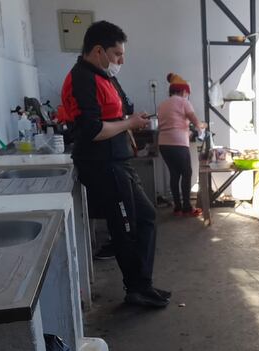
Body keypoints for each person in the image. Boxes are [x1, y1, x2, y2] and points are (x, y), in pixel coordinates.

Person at [61, 20, 170, 308]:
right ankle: (135, 288)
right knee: (125, 228)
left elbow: (120, 112)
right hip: (102, 164)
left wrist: (132, 123)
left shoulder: (104, 76)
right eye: (117, 55)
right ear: (99, 51)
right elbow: (94, 130)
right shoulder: (82, 78)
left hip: (119, 162)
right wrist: (128, 123)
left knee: (145, 217)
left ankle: (142, 283)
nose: (121, 61)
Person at [157, 72, 207, 216]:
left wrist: (187, 132)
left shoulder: (162, 105)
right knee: (186, 173)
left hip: (164, 144)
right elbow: (195, 121)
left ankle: (177, 208)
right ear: (184, 91)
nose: (187, 95)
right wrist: (202, 126)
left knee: (174, 174)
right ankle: (187, 208)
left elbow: (170, 125)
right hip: (178, 144)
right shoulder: (184, 102)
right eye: (187, 92)